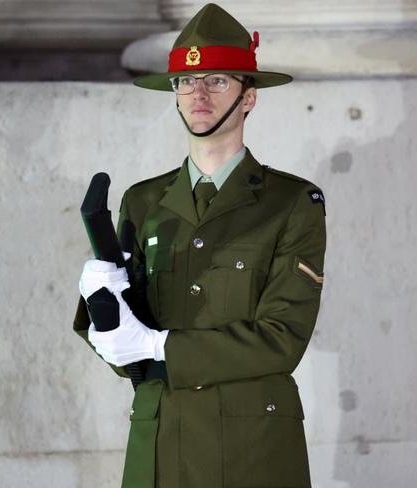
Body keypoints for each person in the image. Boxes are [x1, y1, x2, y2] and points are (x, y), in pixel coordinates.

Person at [73, 4, 326, 488]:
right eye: (185, 82)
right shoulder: (143, 200)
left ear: (248, 98)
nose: (198, 93)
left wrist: (157, 345)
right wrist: (103, 313)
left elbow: (282, 338)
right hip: (162, 438)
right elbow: (128, 346)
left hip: (252, 447)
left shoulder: (292, 203)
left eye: (216, 80)